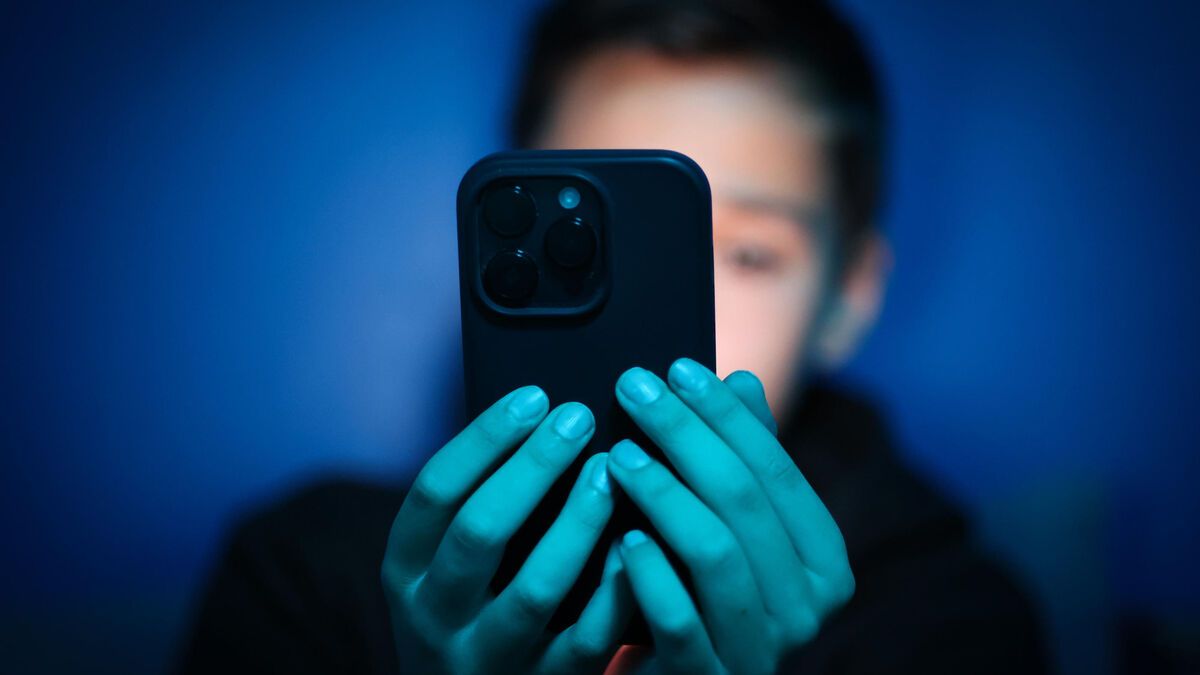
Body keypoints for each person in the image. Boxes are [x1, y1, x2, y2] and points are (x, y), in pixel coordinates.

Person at [177, 1, 1047, 672]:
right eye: (594, 238)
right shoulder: (303, 570)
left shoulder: (953, 620)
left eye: (748, 253)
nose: (675, 306)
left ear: (847, 299)